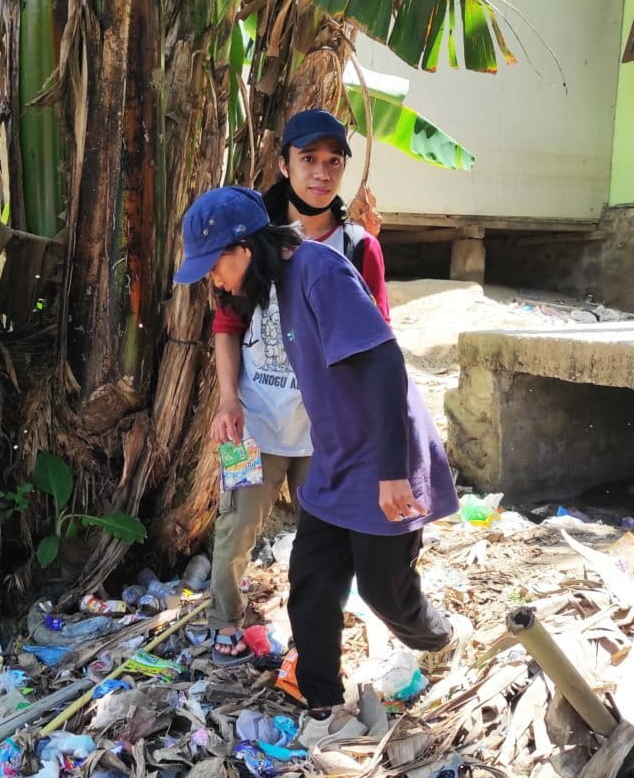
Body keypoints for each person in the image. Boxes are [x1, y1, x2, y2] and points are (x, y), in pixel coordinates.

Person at [174, 186, 468, 744]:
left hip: (380, 455)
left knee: (385, 591)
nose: (213, 281)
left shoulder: (316, 270)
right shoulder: (261, 289)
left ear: (244, 248)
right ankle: (323, 706)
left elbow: (384, 362)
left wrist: (391, 470)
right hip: (330, 457)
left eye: (213, 267)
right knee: (309, 581)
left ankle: (439, 639)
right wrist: (228, 402)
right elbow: (227, 337)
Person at [205, 110, 389, 666]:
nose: (321, 174)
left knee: (326, 537)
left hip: (325, 435)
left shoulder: (360, 248)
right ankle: (223, 618)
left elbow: (377, 344)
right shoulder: (250, 242)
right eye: (308, 159)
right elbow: (226, 324)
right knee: (234, 524)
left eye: (334, 162)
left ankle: (314, 630)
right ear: (283, 163)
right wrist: (227, 400)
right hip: (248, 424)